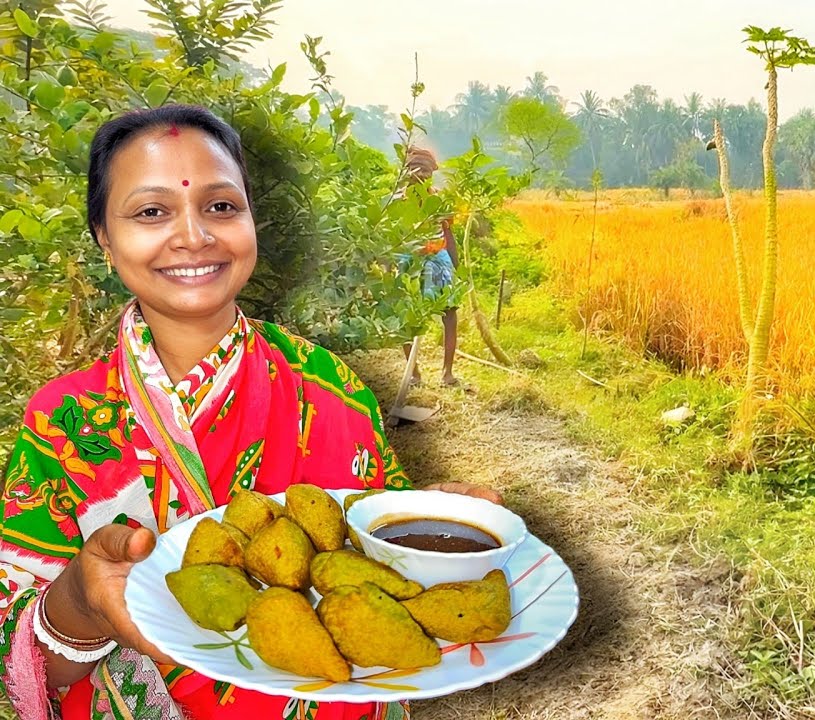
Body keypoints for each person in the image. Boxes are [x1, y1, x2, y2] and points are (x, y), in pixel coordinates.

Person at [0, 104, 501, 719]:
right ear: (104, 237)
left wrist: (427, 526)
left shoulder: (331, 385)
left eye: (220, 206)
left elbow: (369, 561)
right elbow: (28, 663)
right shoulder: (66, 421)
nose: (194, 235)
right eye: (151, 211)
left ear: (250, 220)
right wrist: (79, 597)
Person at [395, 147, 463, 389]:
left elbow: (448, 232)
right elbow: (389, 238)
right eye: (417, 171)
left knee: (450, 312)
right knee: (406, 315)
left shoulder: (439, 200)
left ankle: (447, 373)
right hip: (409, 260)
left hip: (438, 258)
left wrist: (455, 266)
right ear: (406, 173)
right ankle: (413, 373)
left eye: (426, 173)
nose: (422, 177)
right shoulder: (396, 201)